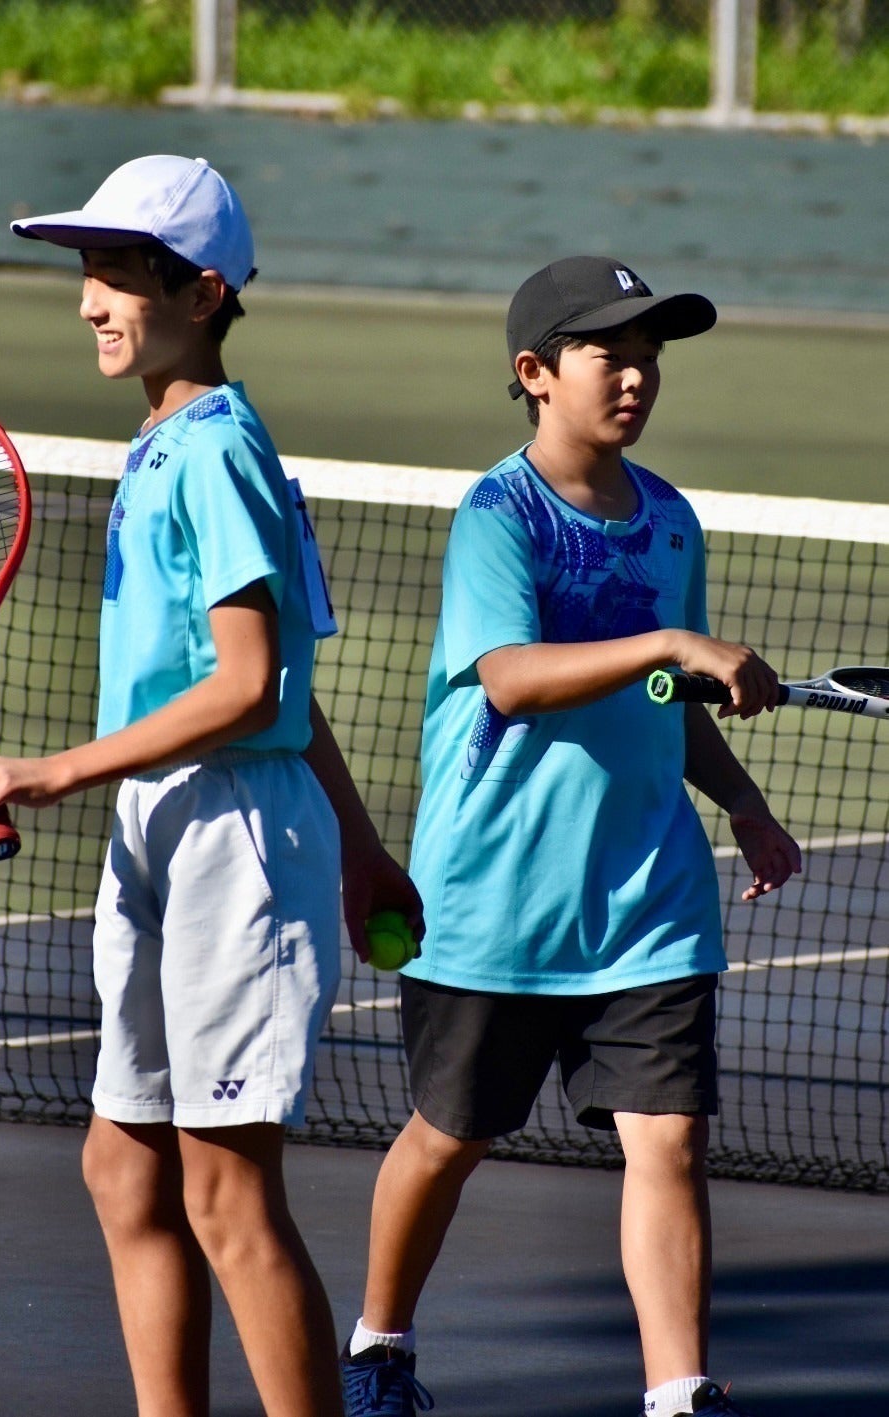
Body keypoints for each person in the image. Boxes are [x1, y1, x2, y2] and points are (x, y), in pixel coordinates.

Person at [0, 154, 421, 1417]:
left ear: (202, 293)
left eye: (117, 274)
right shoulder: (171, 442)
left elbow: (249, 686)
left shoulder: (216, 453)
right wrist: (363, 846)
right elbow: (291, 682)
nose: (89, 300)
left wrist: (55, 767)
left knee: (224, 1189)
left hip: (230, 836)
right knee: (124, 1168)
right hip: (165, 823)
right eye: (86, 273)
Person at [339, 256, 802, 1417]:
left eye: (649, 355)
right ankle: (378, 1348)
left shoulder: (670, 521)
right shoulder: (498, 515)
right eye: (610, 353)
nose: (636, 375)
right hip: (495, 901)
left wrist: (741, 802)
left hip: (646, 898)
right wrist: (671, 646)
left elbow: (667, 701)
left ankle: (676, 1391)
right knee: (448, 1137)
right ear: (535, 373)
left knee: (669, 1141)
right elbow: (509, 676)